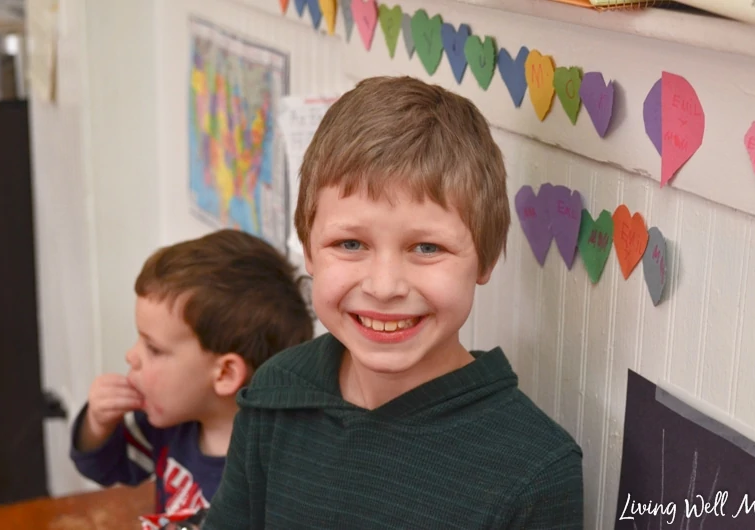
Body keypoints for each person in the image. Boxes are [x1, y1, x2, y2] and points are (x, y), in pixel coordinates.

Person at [204, 76, 584, 529]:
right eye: (349, 244)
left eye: (426, 248)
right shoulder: (276, 393)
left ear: (485, 258)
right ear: (308, 250)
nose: (385, 287)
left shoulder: (535, 468)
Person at [69, 229, 314, 528]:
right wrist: (98, 423)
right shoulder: (171, 423)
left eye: (153, 349)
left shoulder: (273, 477)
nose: (131, 357)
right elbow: (106, 466)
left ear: (224, 374)